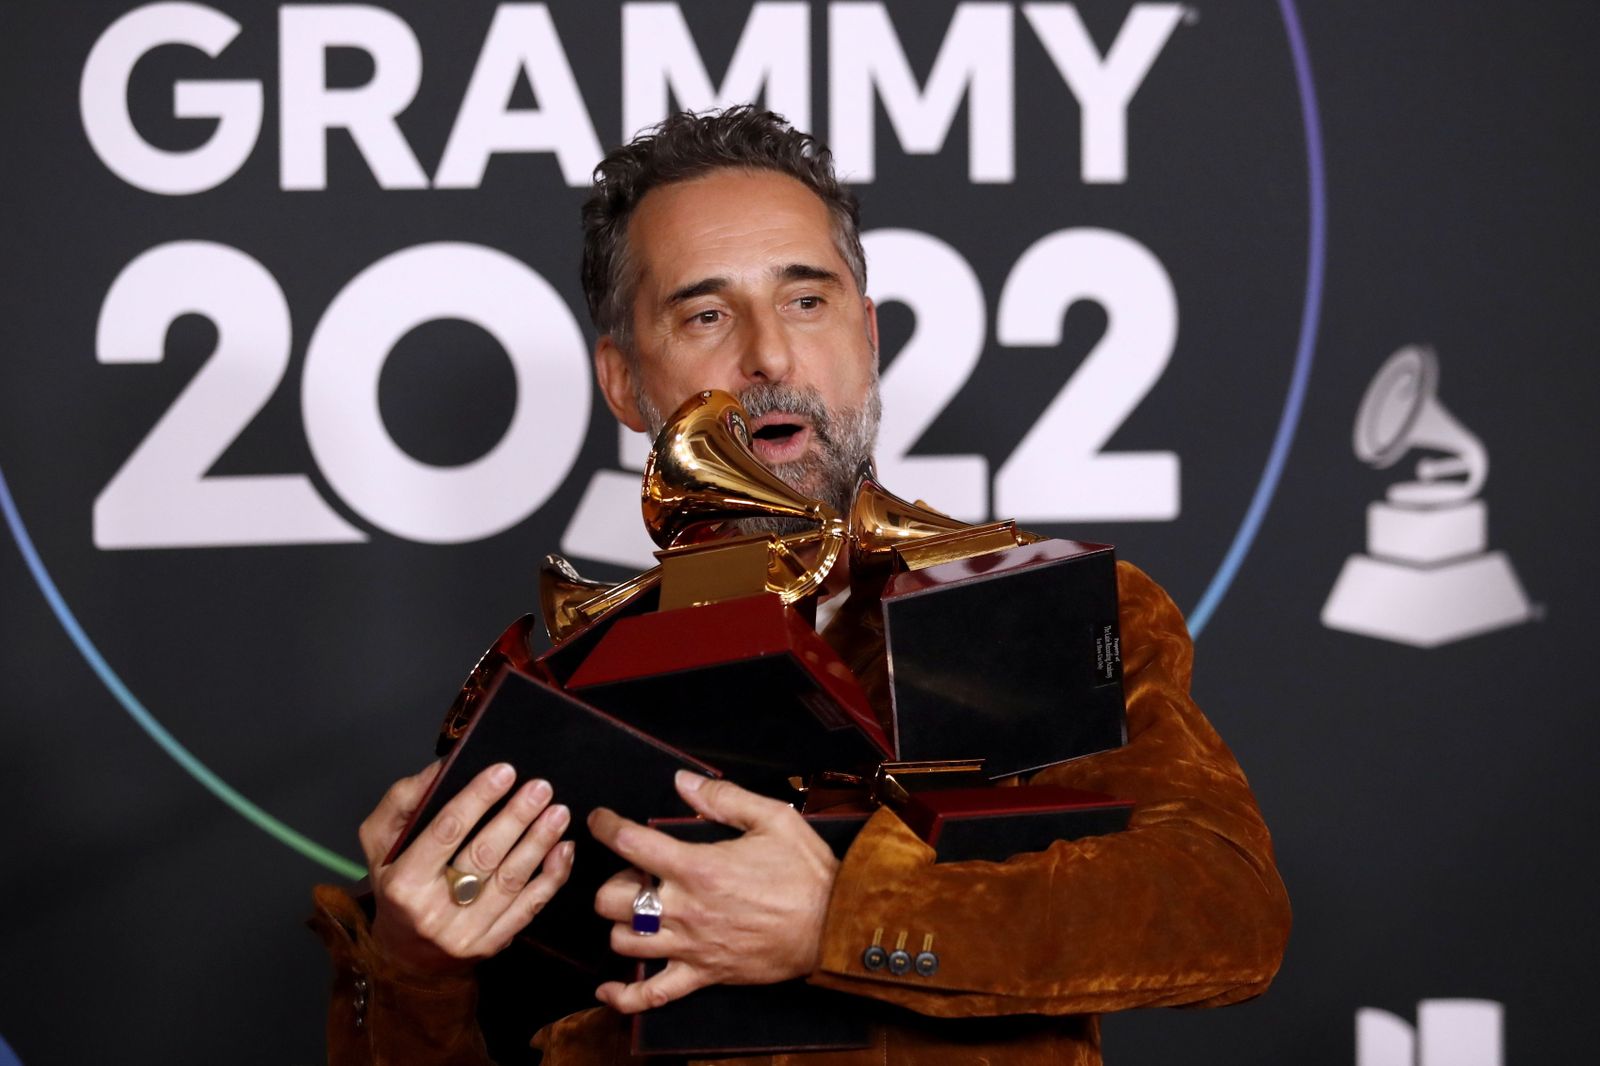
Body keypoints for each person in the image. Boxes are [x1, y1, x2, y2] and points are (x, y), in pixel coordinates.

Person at [309, 106, 1291, 1065]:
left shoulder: (1049, 606)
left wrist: (841, 917)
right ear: (622, 382)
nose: (768, 357)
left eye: (805, 300)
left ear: (867, 336)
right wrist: (409, 968)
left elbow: (1224, 905)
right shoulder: (560, 694)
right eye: (703, 314)